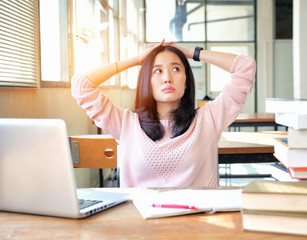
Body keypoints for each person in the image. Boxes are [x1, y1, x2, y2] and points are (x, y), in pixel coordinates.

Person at [71, 40, 256, 188]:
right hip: (139, 226)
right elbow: (81, 85)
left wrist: (192, 53)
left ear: (186, 82)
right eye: (157, 71)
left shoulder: (209, 119)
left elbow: (246, 67)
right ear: (146, 82)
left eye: (176, 69)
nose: (167, 77)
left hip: (196, 225)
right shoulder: (124, 123)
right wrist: (137, 60)